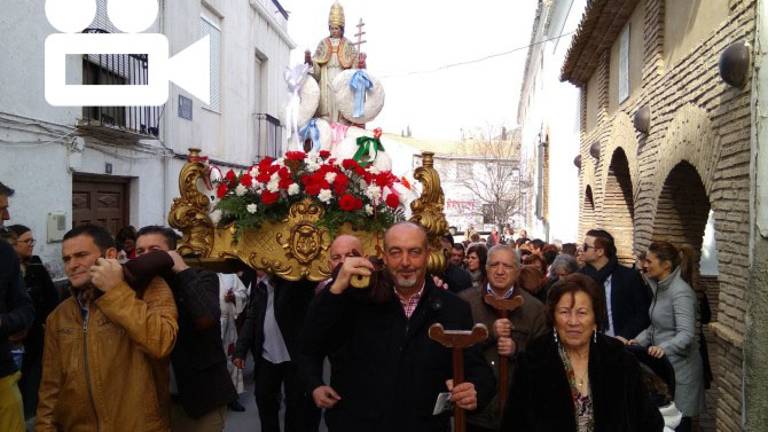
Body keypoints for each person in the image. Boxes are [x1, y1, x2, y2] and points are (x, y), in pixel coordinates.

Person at [301, 222, 495, 431]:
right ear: (383, 255)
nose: (405, 262)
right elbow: (312, 340)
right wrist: (336, 288)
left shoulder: (453, 308)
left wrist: (475, 389)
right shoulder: (358, 300)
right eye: (395, 252)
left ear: (427, 254)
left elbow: (477, 368)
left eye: (414, 252)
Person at [37, 224, 178, 431]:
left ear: (110, 254)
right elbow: (51, 387)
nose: (72, 265)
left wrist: (116, 291)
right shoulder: (59, 317)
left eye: (81, 255)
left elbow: (162, 343)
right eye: (67, 259)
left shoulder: (148, 289)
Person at [501, 273, 663, 431]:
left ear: (595, 319)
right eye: (564, 312)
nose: (573, 322)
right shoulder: (533, 361)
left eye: (582, 312)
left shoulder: (619, 358)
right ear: (553, 319)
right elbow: (513, 424)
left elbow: (649, 422)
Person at [135, 225, 237, 432]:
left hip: (200, 399)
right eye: (140, 252)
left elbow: (207, 317)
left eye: (154, 251)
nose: (145, 257)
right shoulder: (138, 286)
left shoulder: (201, 278)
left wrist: (182, 270)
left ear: (173, 252)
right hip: (156, 402)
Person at [458, 245, 545, 431]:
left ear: (518, 270)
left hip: (516, 412)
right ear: (485, 268)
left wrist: (517, 349)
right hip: (475, 414)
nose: (499, 271)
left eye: (507, 266)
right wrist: (488, 334)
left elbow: (543, 359)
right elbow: (454, 352)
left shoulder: (535, 309)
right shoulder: (464, 303)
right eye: (494, 265)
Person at [628, 241, 705, 431]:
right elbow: (656, 327)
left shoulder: (681, 293)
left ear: (666, 265)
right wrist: (637, 341)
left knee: (679, 425)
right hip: (665, 369)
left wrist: (663, 348)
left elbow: (687, 334)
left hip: (681, 374)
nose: (644, 265)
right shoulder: (660, 288)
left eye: (649, 260)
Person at [234, 270, 318, 432]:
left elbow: (306, 283)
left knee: (296, 406)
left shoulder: (294, 285)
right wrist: (240, 350)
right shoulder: (261, 287)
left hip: (293, 358)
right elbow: (252, 319)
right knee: (264, 401)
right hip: (267, 357)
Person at [6, 225, 60, 419]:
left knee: (32, 382)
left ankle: (29, 417)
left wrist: (45, 324)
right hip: (9, 340)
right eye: (26, 241)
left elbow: (52, 297)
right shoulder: (6, 270)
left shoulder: (36, 265)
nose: (31, 245)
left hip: (35, 337)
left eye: (32, 241)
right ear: (12, 245)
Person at [579, 229, 652, 340]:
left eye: (585, 247)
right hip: (588, 342)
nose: (581, 250)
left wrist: (624, 336)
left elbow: (642, 314)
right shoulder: (580, 278)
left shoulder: (629, 277)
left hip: (621, 343)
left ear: (599, 252)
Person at [0, 224, 34, 430]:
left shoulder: (4, 254)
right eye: (2, 208)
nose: (7, 216)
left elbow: (26, 309)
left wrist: (4, 322)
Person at [307, 1, 358, 122]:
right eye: (332, 28)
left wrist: (359, 64)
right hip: (326, 80)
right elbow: (316, 70)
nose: (334, 31)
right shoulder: (323, 43)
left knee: (341, 107)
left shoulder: (349, 44)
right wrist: (309, 61)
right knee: (327, 107)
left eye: (337, 28)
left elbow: (354, 69)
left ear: (342, 29)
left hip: (342, 79)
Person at [217, 272, 249, 412]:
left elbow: (244, 294)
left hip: (228, 325)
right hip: (208, 325)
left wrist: (233, 297)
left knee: (230, 360)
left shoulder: (229, 275)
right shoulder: (197, 271)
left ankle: (232, 398)